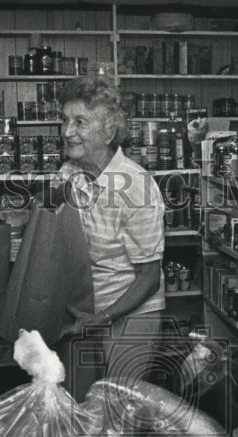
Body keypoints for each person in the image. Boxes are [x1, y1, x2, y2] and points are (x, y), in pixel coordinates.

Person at [54, 74, 166, 400]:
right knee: (75, 403)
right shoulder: (71, 174)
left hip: (132, 314)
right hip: (84, 311)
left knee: (116, 409)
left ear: (108, 130)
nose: (66, 131)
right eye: (64, 120)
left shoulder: (136, 187)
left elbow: (149, 278)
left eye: (80, 122)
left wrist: (99, 321)